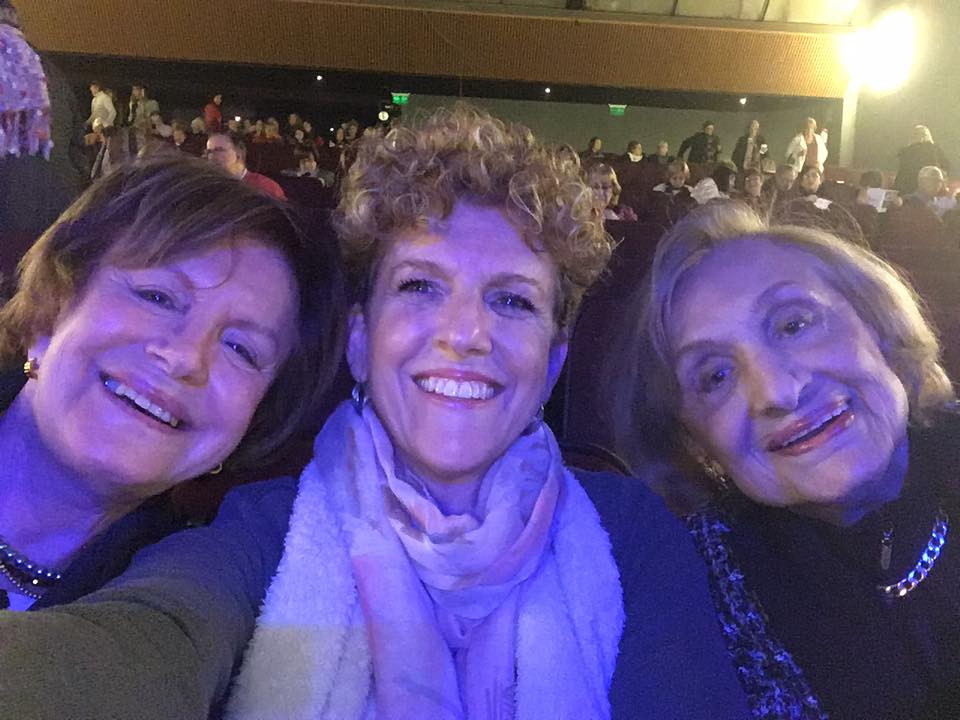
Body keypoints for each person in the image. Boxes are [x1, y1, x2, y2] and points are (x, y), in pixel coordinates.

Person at [0, 104, 748, 720]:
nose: (464, 333)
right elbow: (152, 637)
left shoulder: (632, 533)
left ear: (552, 363)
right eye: (421, 286)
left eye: (513, 300)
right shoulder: (264, 523)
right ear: (359, 342)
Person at [619, 202, 960, 718]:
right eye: (715, 376)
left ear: (880, 327)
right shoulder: (684, 597)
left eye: (794, 324)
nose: (777, 390)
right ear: (695, 443)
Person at [0, 155, 343, 612]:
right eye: (157, 297)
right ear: (54, 305)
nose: (185, 357)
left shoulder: (211, 607)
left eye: (241, 349)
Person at [205, 132, 286, 200]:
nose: (212, 156)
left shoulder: (265, 187)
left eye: (219, 150)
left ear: (238, 153)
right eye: (209, 152)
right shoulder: (208, 188)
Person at [894, 125, 950, 195]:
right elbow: (944, 168)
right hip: (930, 186)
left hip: (909, 187)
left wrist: (897, 189)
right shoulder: (934, 150)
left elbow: (902, 173)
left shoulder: (907, 152)